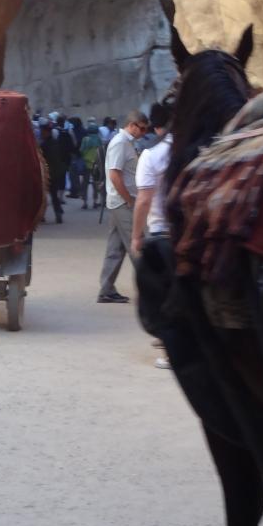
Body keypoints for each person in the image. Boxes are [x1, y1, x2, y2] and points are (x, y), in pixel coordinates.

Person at [130, 101, 173, 366]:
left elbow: (144, 199)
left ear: (156, 127)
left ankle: (170, 350)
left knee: (163, 293)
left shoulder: (151, 155)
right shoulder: (196, 148)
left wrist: (137, 235)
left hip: (161, 233)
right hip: (189, 231)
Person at [96, 110, 148, 302]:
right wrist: (129, 199)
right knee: (137, 244)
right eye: (142, 128)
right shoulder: (120, 143)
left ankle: (106, 289)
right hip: (122, 202)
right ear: (132, 125)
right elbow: (114, 175)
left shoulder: (126, 143)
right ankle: (150, 288)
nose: (143, 133)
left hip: (120, 201)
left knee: (115, 249)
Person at [39, 120, 64, 224]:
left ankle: (41, 215)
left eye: (42, 132)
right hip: (56, 173)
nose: (41, 134)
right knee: (54, 195)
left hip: (47, 174)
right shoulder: (56, 143)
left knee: (43, 196)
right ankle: (58, 213)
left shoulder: (44, 145)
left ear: (46, 132)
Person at [79, 118, 102, 209]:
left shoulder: (85, 139)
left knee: (85, 183)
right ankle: (95, 201)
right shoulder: (98, 139)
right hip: (96, 164)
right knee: (95, 183)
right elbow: (101, 151)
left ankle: (84, 202)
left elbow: (81, 150)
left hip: (86, 164)